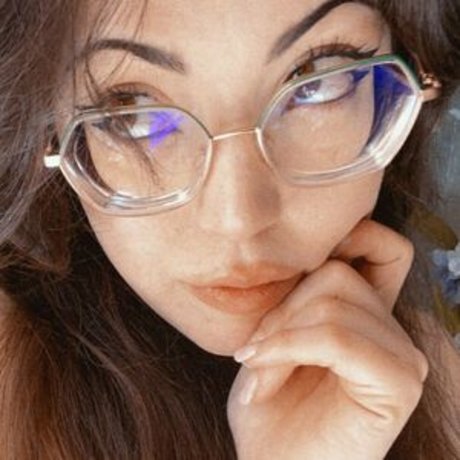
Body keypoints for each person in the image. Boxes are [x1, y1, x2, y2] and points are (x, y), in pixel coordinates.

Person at [0, 0, 459, 458]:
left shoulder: (423, 375)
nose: (238, 220)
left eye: (316, 83)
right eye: (132, 113)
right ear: (47, 126)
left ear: (417, 75)